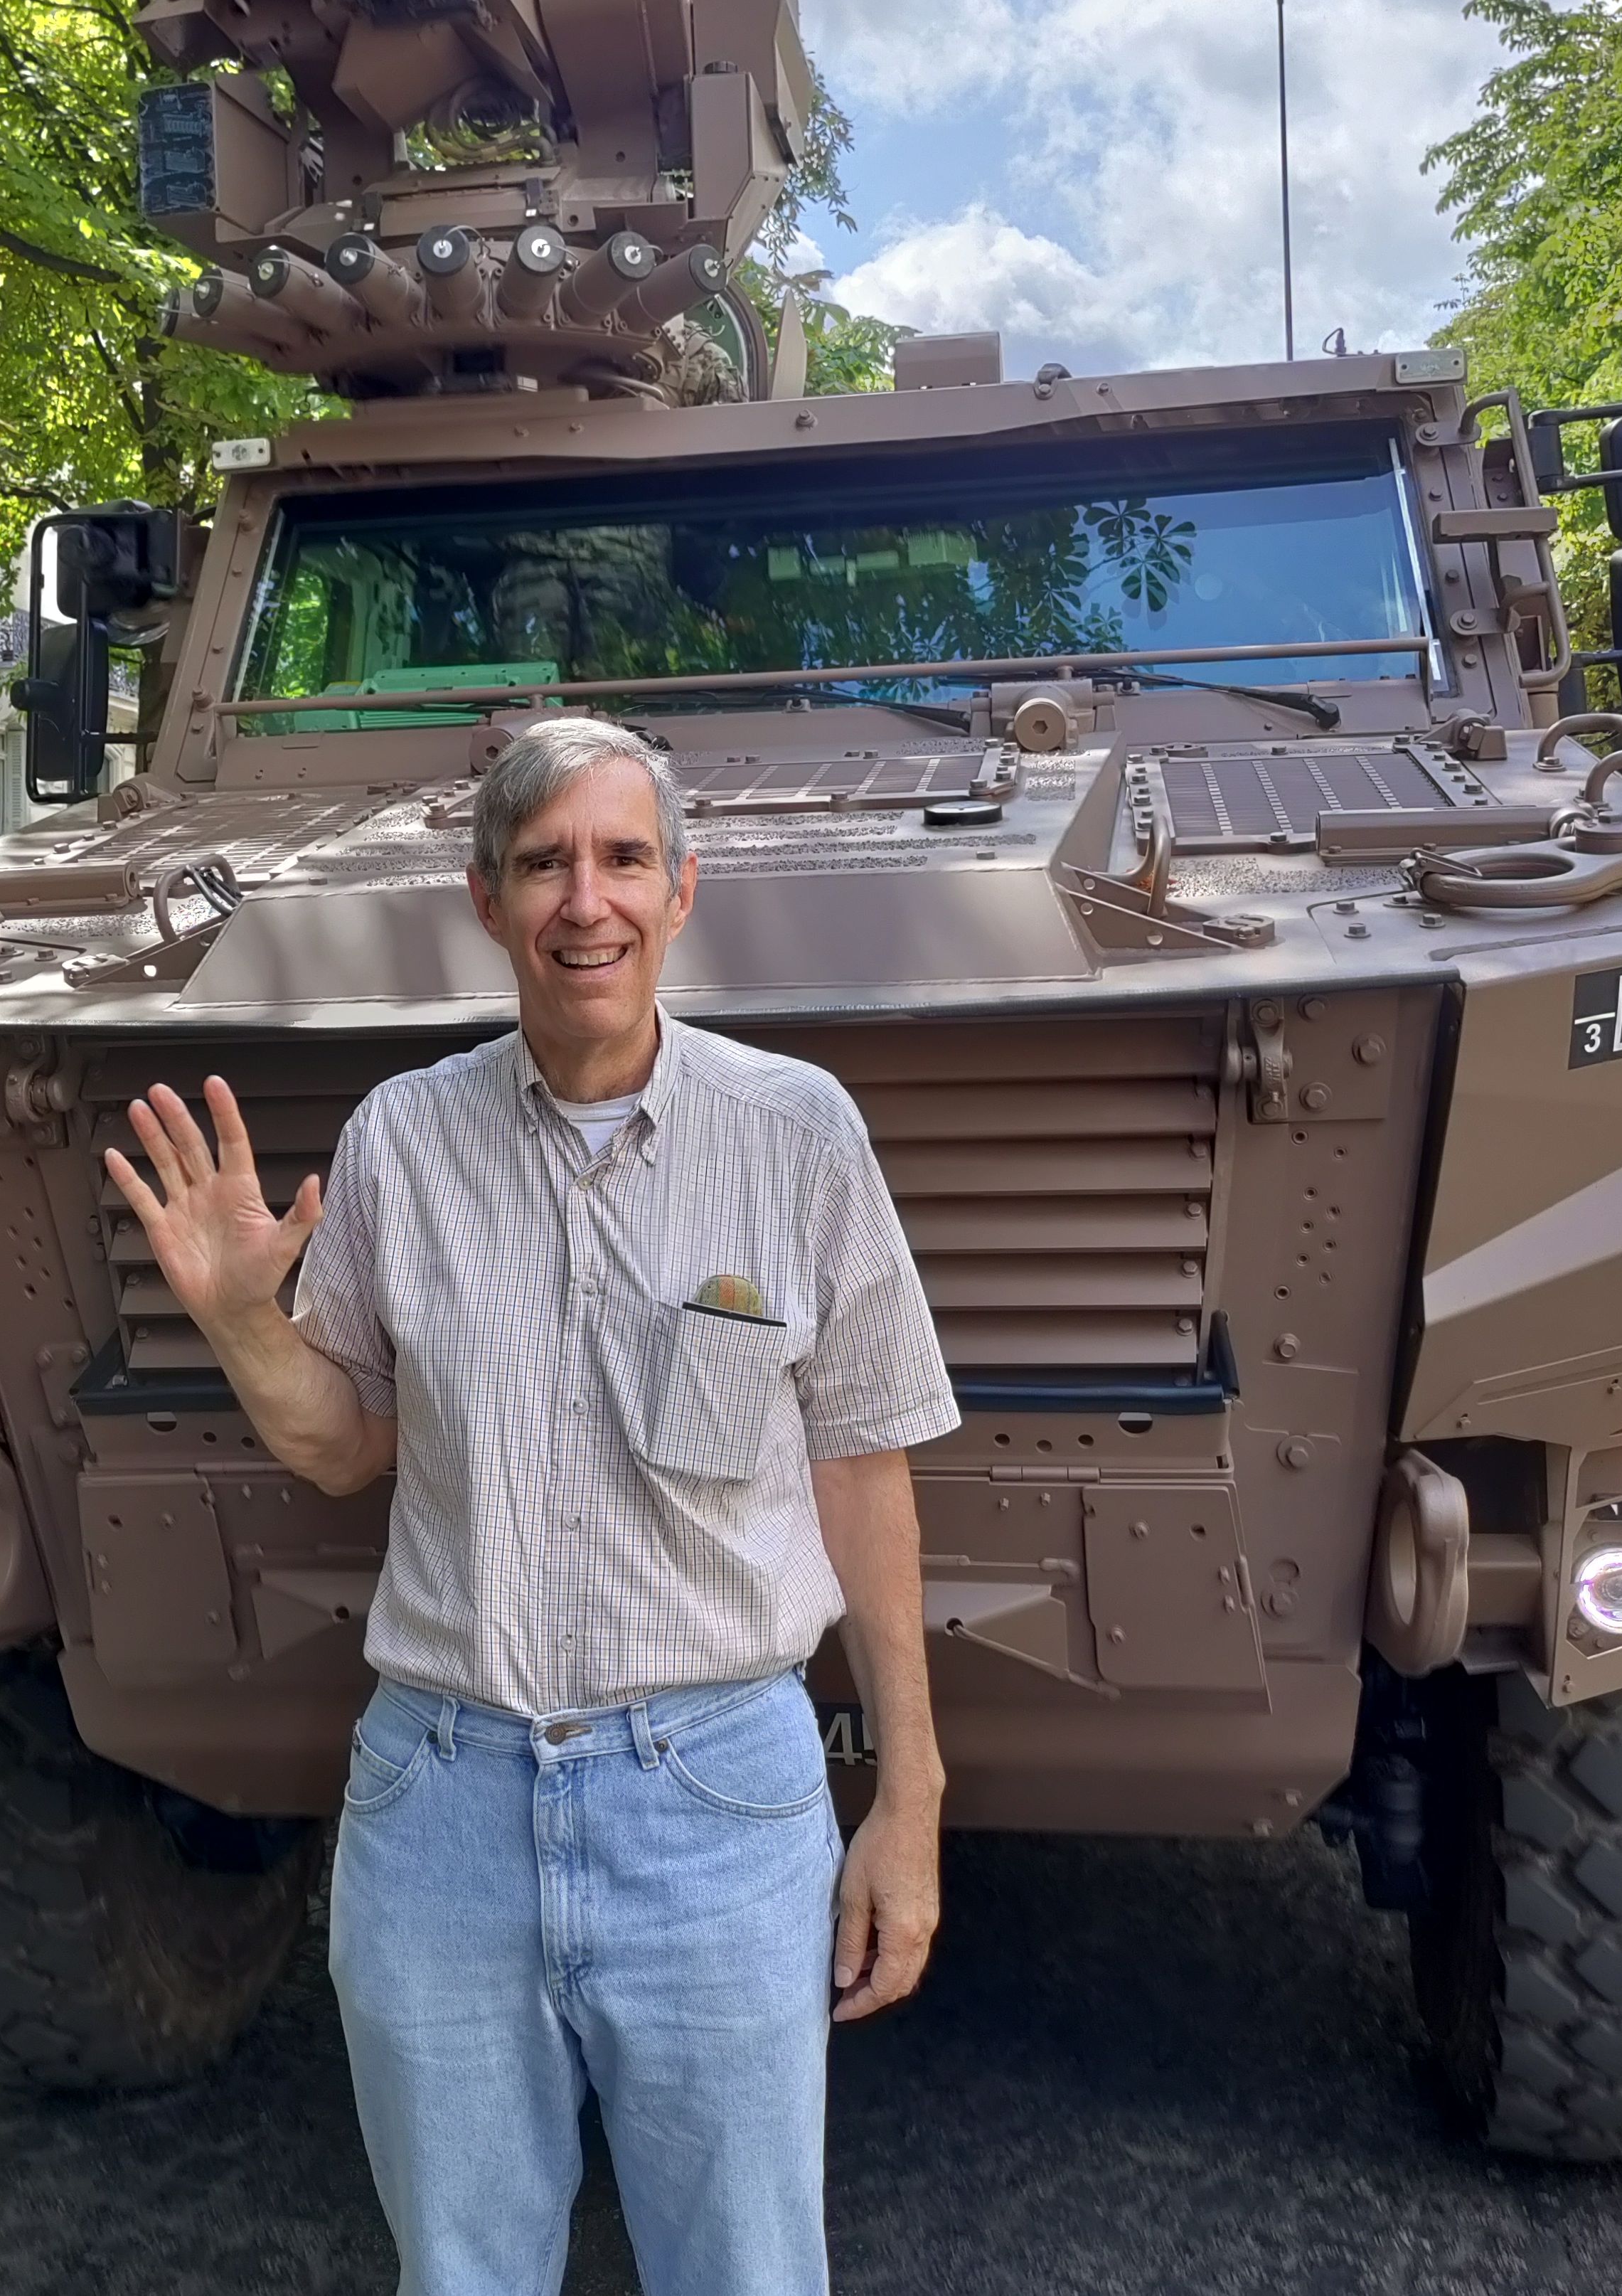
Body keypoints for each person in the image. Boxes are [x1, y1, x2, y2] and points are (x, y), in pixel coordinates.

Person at [107, 719, 956, 2296]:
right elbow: (345, 1445)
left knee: (748, 2272)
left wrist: (907, 1800)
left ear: (681, 890)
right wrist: (239, 1322)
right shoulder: (402, 1143)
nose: (588, 901)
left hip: (713, 1800)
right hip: (442, 1803)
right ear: (486, 900)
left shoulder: (797, 1137)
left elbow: (862, 1468)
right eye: (546, 863)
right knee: (464, 2272)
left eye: (623, 858)